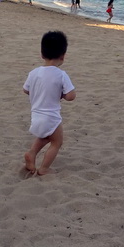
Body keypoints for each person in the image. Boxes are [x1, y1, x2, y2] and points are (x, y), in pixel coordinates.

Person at [23, 30, 76, 176]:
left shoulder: (33, 73)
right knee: (56, 142)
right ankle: (44, 168)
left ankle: (32, 153)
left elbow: (25, 90)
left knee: (45, 136)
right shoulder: (61, 74)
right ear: (63, 56)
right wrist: (62, 94)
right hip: (51, 116)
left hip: (36, 115)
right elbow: (71, 96)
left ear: (42, 54)